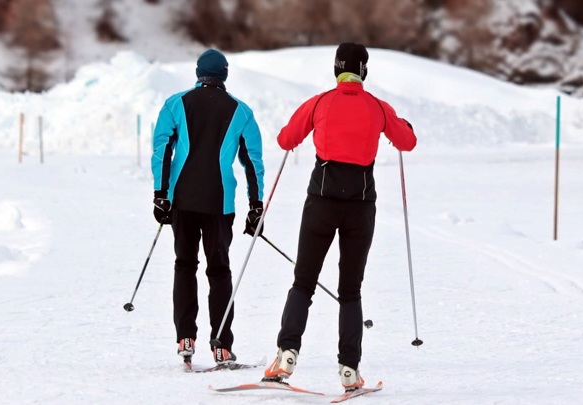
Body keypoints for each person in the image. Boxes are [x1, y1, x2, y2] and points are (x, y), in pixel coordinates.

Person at [263, 43, 417, 390]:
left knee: (303, 281)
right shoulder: (378, 107)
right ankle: (349, 369)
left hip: (321, 203)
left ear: (336, 69)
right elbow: (407, 142)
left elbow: (286, 139)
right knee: (350, 290)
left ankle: (286, 354)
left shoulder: (320, 102)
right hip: (361, 208)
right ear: (363, 70)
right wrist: (403, 124)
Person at [151, 48, 265, 366]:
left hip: (183, 201)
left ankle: (185, 338)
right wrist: (256, 206)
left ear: (198, 73)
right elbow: (253, 162)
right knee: (219, 271)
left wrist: (161, 194)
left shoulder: (175, 104)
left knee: (184, 266)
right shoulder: (241, 111)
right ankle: (221, 346)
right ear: (224, 74)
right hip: (220, 203)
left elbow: (162, 149)